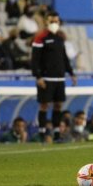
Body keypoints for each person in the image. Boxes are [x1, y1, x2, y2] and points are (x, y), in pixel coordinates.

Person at [31, 11, 77, 142]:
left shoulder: (60, 38)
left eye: (57, 21)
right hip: (46, 78)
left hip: (60, 78)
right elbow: (35, 60)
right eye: (52, 21)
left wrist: (71, 73)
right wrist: (38, 77)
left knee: (58, 105)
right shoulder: (40, 38)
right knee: (44, 105)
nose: (55, 24)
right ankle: (42, 133)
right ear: (46, 22)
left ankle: (57, 134)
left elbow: (64, 58)